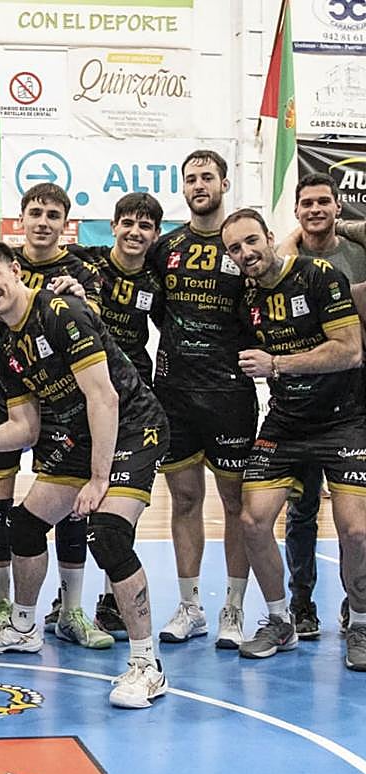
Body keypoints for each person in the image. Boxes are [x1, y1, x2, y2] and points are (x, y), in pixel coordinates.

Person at [0, 241, 170, 709]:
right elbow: (25, 430)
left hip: (131, 428)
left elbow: (104, 398)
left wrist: (98, 479)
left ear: (15, 270)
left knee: (107, 534)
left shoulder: (62, 312)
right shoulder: (3, 342)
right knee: (25, 527)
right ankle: (23, 628)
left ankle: (146, 665)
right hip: (76, 436)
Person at [219, 209, 366, 668]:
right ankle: (281, 620)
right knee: (252, 521)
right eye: (235, 249)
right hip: (285, 423)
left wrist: (278, 364)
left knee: (357, 530)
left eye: (251, 241)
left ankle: (361, 625)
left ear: (270, 237)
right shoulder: (245, 298)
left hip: (343, 421)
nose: (245, 253)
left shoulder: (320, 277)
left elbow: (350, 351)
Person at [0, 183, 109, 649]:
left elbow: (93, 327)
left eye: (53, 215)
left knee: (71, 506)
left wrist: (83, 298)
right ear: (22, 218)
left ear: (65, 223)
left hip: (62, 402)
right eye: (36, 213)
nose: (43, 222)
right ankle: (3, 609)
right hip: (3, 394)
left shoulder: (81, 271)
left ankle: (70, 609)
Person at [148, 150, 254, 649]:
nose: (198, 185)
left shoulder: (241, 246)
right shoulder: (165, 247)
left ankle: (233, 608)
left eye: (207, 177)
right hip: (175, 394)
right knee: (185, 500)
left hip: (230, 395)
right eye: (190, 178)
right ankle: (190, 606)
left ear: (224, 183)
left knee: (235, 504)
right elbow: (157, 311)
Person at [68, 191, 164, 638]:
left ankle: (111, 600)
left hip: (132, 398)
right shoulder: (84, 263)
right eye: (127, 223)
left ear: (155, 235)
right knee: (75, 496)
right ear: (113, 227)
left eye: (145, 226)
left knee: (117, 509)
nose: (134, 232)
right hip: (82, 393)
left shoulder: (157, 281)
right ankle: (67, 601)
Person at [275, 174, 366, 638]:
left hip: (353, 396)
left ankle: (356, 603)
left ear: (337, 207)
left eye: (323, 202)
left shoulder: (356, 253)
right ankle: (301, 603)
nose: (315, 209)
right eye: (306, 203)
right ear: (296, 210)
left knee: (355, 518)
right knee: (301, 507)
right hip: (299, 400)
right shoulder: (286, 259)